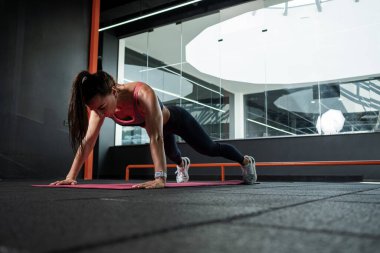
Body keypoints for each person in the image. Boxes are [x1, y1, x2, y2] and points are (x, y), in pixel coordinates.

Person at [51, 71, 257, 189]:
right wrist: (70, 176)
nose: (100, 114)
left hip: (177, 120)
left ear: (113, 92)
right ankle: (182, 165)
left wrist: (160, 177)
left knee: (209, 148)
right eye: (95, 110)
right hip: (158, 130)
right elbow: (88, 142)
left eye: (102, 108)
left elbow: (155, 135)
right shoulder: (100, 108)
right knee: (174, 155)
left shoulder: (142, 93)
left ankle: (246, 161)